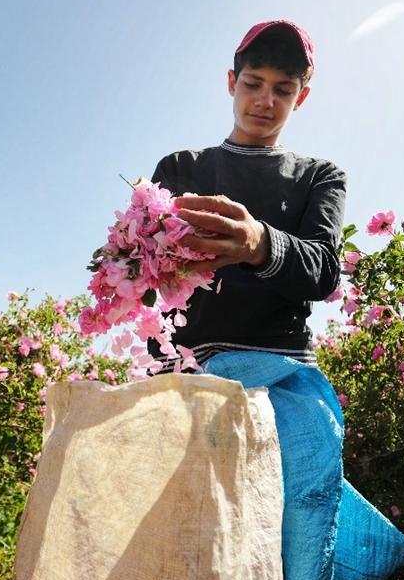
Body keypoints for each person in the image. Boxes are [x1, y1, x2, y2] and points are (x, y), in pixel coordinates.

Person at [147, 19, 347, 372]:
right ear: (231, 82)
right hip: (180, 366)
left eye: (283, 90)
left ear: (300, 97)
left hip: (280, 367)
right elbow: (147, 271)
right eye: (253, 83)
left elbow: (324, 271)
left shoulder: (320, 176)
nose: (265, 101)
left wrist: (260, 244)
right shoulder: (179, 167)